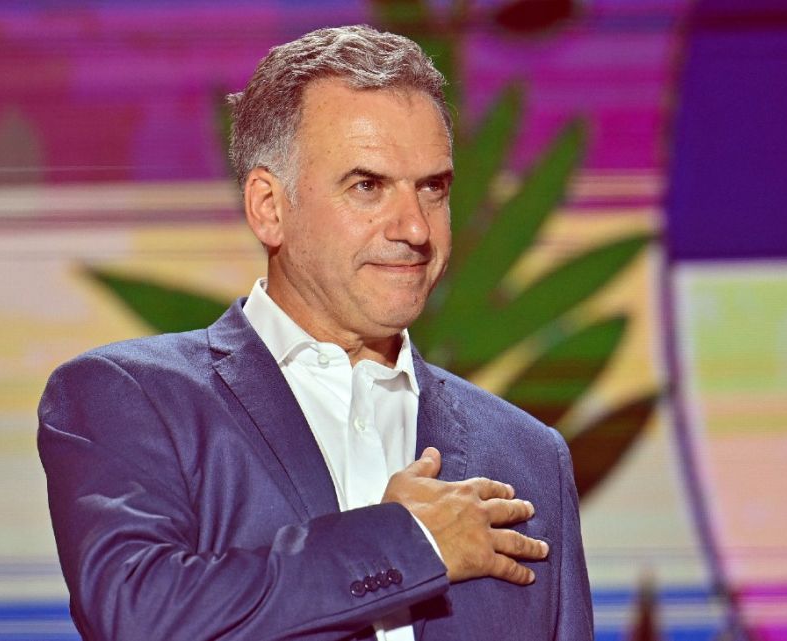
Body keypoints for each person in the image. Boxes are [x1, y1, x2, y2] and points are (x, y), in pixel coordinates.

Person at [38, 24, 593, 641]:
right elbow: (139, 617)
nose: (414, 227)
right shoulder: (133, 399)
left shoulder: (527, 454)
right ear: (269, 208)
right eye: (368, 186)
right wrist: (406, 543)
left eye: (433, 188)